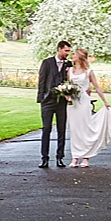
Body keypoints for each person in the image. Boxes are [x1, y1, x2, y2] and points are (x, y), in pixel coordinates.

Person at [67, 47, 111, 167]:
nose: (72, 56)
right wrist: (66, 95)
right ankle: (75, 157)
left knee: (85, 128)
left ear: (79, 56)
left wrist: (105, 102)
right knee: (74, 129)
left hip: (83, 101)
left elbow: (97, 87)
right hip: (72, 103)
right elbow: (68, 85)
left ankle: (85, 157)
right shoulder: (69, 70)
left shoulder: (88, 71)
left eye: (74, 54)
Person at [36, 40, 72, 168]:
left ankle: (59, 158)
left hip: (62, 102)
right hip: (47, 101)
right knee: (46, 129)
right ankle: (44, 158)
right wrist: (41, 98)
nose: (67, 53)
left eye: (69, 51)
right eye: (66, 50)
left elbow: (70, 81)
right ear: (59, 49)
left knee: (61, 129)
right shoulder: (47, 63)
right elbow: (41, 81)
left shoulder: (69, 64)